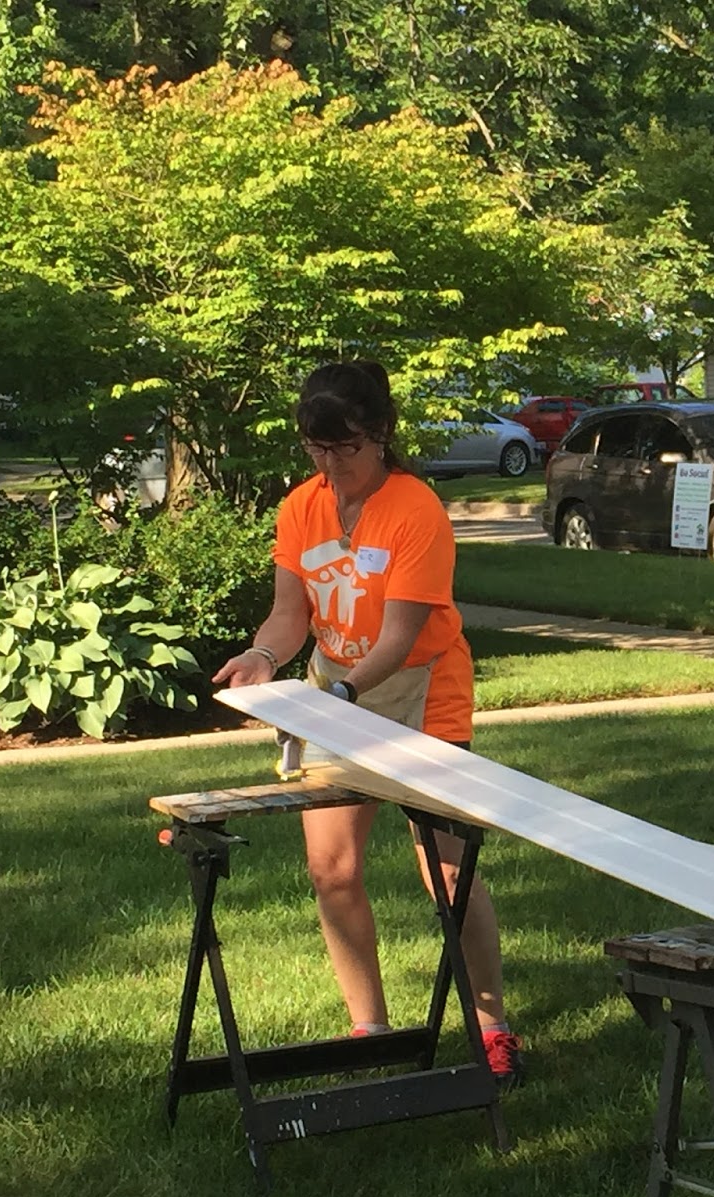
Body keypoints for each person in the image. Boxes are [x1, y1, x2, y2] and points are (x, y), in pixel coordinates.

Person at [212, 360, 523, 1084]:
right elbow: (292, 616)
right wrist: (262, 656)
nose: (330, 465)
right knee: (332, 869)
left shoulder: (416, 509)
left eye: (344, 448)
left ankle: (494, 1028)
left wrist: (343, 695)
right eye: (316, 449)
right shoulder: (300, 507)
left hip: (422, 690)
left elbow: (401, 637)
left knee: (446, 869)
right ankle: (370, 1028)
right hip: (338, 691)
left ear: (380, 434)